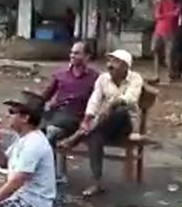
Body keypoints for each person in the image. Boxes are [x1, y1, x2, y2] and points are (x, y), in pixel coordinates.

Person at [60, 50, 144, 198]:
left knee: (118, 109)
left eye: (115, 62)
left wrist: (112, 103)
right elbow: (94, 100)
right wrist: (87, 119)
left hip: (125, 124)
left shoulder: (135, 78)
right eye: (109, 62)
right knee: (95, 137)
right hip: (102, 125)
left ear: (125, 66)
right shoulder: (103, 79)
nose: (110, 65)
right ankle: (96, 182)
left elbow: (130, 99)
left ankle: (78, 136)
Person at [39, 41, 98, 148]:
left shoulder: (94, 77)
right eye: (71, 53)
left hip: (75, 117)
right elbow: (46, 94)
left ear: (87, 56)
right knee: (36, 131)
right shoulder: (60, 74)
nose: (72, 56)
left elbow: (97, 102)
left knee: (51, 132)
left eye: (76, 53)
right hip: (56, 113)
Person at [151, 0, 182, 84]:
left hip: (170, 31)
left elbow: (176, 14)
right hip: (159, 30)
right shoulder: (163, 2)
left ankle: (169, 75)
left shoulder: (178, 3)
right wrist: (169, 14)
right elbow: (157, 15)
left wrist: (164, 15)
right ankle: (156, 75)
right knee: (156, 52)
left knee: (169, 55)